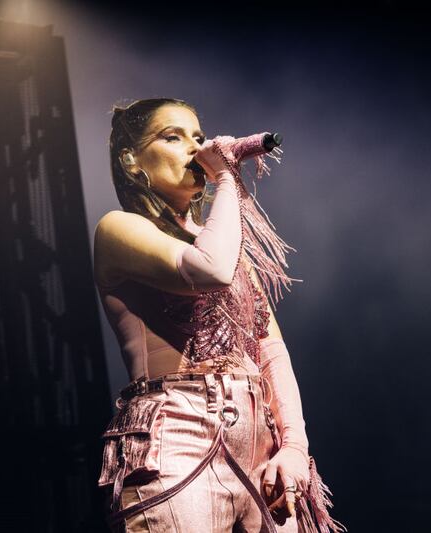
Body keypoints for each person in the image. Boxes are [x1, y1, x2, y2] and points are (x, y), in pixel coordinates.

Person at [93, 98, 346, 533]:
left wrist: (293, 448)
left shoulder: (223, 244)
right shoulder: (119, 228)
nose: (196, 148)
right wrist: (227, 178)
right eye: (172, 137)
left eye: (197, 136)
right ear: (131, 159)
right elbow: (207, 270)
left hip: (261, 443)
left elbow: (270, 351)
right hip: (176, 432)